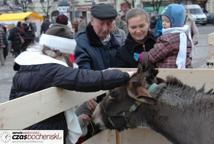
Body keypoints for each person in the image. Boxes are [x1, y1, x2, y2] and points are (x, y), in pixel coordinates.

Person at [9, 24, 134, 144]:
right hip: (44, 136)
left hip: (27, 132)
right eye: (69, 55)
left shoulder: (27, 64)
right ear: (61, 52)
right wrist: (125, 76)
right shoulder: (52, 69)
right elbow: (86, 79)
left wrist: (76, 122)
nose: (71, 59)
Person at [134, 4, 192, 68]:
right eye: (163, 20)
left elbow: (153, 55)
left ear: (176, 22)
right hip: (185, 69)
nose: (163, 23)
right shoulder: (184, 35)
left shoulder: (168, 39)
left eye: (167, 21)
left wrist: (141, 56)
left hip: (168, 71)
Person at [75, 3, 120, 70]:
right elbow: (84, 74)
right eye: (101, 24)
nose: (105, 28)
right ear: (92, 21)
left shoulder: (115, 43)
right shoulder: (81, 43)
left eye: (109, 23)